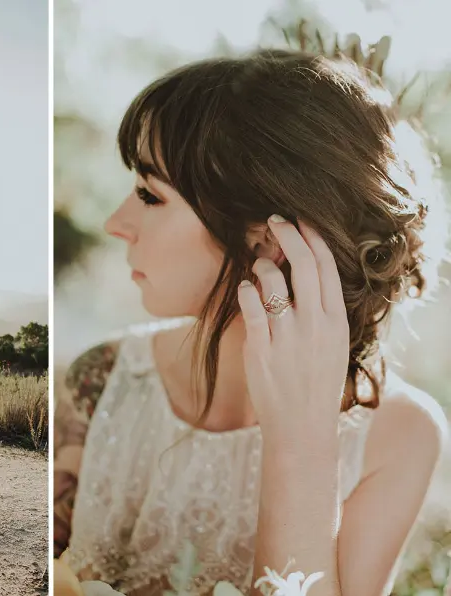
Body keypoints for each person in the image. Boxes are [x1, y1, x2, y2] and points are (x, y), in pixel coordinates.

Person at [54, 50, 449, 596]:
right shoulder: (101, 378)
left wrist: (301, 440)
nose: (116, 222)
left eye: (149, 194)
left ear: (269, 239)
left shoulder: (400, 437)